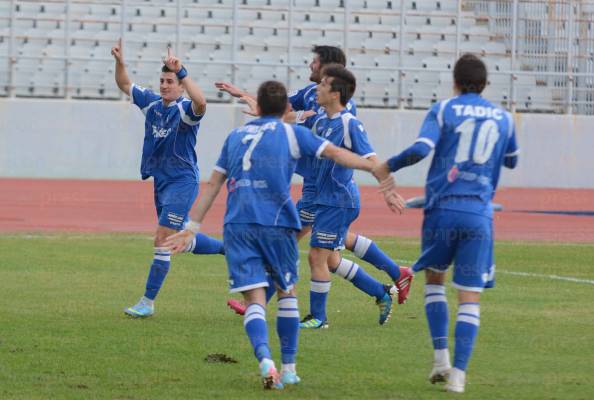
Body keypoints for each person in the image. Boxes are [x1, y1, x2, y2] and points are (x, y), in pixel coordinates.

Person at [164, 81, 401, 389]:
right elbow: (338, 155)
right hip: (277, 223)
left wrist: (191, 228)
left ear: (258, 108)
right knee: (287, 293)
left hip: (238, 226)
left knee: (255, 300)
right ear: (284, 109)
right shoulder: (293, 133)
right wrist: (378, 170)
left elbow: (212, 185)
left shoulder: (236, 136)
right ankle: (289, 368)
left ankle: (265, 361)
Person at [218, 45, 413, 317]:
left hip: (333, 194)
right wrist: (247, 98)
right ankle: (386, 284)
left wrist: (388, 190)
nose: (310, 66)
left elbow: (361, 155)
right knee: (324, 253)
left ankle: (303, 314)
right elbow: (280, 112)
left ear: (330, 75)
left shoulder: (345, 116)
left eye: (316, 64)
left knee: (317, 253)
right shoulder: (316, 103)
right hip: (315, 190)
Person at [374, 54, 520, 393]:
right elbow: (512, 160)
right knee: (470, 297)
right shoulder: (504, 118)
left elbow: (422, 149)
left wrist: (389, 166)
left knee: (435, 281)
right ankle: (459, 376)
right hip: (479, 212)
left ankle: (441, 358)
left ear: (454, 82)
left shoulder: (443, 110)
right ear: (485, 84)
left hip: (442, 210)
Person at [111, 39, 225, 318]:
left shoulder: (185, 110)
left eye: (169, 81)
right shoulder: (151, 103)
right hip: (161, 181)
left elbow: (202, 102)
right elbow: (125, 84)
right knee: (177, 236)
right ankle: (231, 248)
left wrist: (183, 71)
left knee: (162, 237)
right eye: (162, 80)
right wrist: (120, 63)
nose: (164, 85)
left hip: (182, 181)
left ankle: (147, 302)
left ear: (180, 85)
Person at [299, 64, 406, 329]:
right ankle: (381, 291)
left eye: (323, 85)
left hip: (339, 200)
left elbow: (371, 159)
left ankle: (318, 318)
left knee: (316, 256)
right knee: (330, 258)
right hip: (325, 200)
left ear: (335, 93)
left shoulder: (349, 124)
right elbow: (294, 123)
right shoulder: (322, 120)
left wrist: (388, 192)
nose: (318, 89)